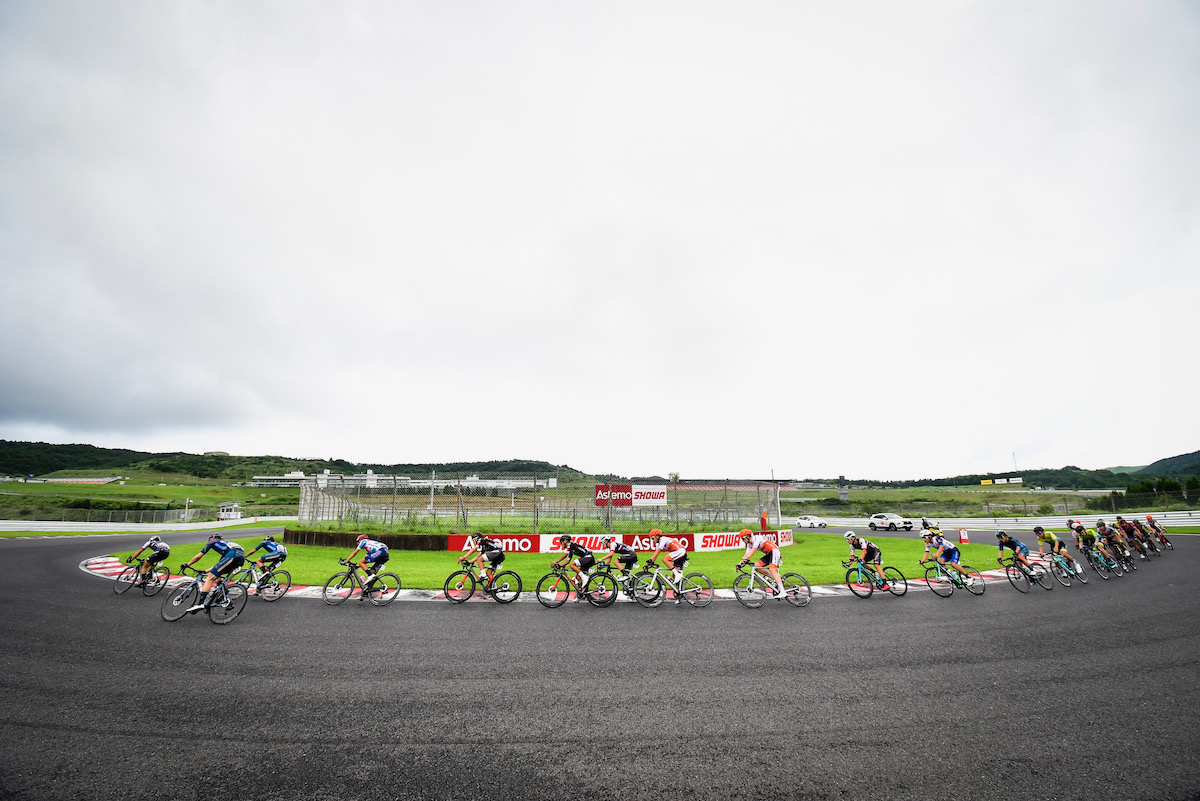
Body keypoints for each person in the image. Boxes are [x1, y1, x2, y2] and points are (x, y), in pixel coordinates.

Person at [181, 534, 246, 612]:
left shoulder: (213, 542)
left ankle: (201, 603)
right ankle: (223, 597)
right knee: (216, 575)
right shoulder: (227, 545)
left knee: (210, 577)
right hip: (241, 558)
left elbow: (198, 557)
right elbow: (219, 565)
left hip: (233, 556)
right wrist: (205, 571)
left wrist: (187, 565)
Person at [644, 528, 690, 604]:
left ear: (657, 536)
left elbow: (658, 551)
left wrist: (650, 560)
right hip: (677, 553)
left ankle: (677, 574)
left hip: (680, 551)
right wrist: (650, 562)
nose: (652, 540)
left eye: (652, 538)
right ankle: (680, 594)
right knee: (675, 576)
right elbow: (655, 555)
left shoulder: (663, 539)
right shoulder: (658, 543)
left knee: (665, 559)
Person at [738, 529, 787, 597]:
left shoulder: (757, 538)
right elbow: (747, 554)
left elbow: (754, 550)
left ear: (747, 537)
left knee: (772, 569)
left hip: (775, 551)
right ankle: (776, 579)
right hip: (769, 554)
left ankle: (783, 592)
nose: (742, 540)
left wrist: (746, 558)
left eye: (742, 538)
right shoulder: (749, 544)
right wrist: (739, 563)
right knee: (756, 567)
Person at [550, 534, 595, 600]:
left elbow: (565, 555)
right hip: (588, 558)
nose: (561, 544)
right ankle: (581, 594)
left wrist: (556, 562)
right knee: (578, 577)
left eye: (561, 542)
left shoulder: (570, 545)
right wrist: (559, 565)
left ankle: (585, 577)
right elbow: (567, 561)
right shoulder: (571, 548)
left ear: (565, 541)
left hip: (588, 557)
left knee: (572, 564)